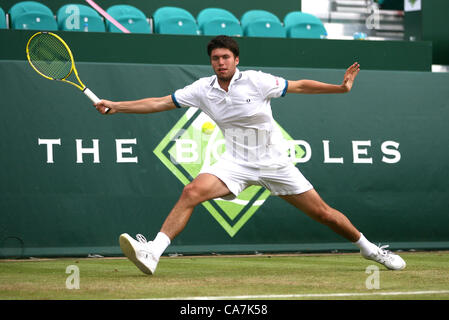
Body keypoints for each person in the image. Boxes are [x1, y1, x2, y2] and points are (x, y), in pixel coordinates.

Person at [95, 35, 406, 275]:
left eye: (225, 57)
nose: (220, 62)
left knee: (324, 213)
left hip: (274, 162)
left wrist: (340, 89)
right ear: (211, 62)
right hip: (235, 163)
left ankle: (370, 250)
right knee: (191, 191)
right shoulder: (203, 88)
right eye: (215, 58)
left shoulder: (257, 80)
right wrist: (118, 105)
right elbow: (161, 102)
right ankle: (153, 252)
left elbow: (298, 86)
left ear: (236, 59)